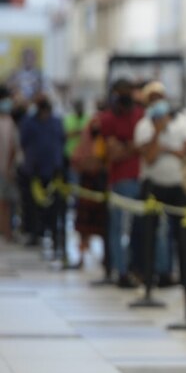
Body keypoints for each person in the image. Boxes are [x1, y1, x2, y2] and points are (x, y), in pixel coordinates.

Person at [134, 94, 186, 287]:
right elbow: (149, 157)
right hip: (153, 185)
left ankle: (185, 279)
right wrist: (157, 134)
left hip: (179, 187)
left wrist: (165, 149)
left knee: (183, 235)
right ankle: (148, 276)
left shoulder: (184, 122)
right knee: (148, 233)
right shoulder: (143, 126)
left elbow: (184, 152)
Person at [100, 80, 144, 286]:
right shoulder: (108, 118)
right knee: (119, 228)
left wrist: (127, 146)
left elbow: (142, 146)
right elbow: (113, 153)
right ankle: (121, 270)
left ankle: (136, 267)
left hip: (141, 178)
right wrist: (132, 147)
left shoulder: (140, 115)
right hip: (120, 180)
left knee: (137, 228)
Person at [17, 95, 64, 246]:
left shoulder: (56, 122)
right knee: (31, 205)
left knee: (53, 205)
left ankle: (53, 233)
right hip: (34, 170)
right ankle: (33, 232)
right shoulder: (29, 122)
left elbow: (61, 141)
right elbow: (23, 142)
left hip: (52, 170)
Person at [70, 101, 109, 269]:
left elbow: (105, 161)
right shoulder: (86, 136)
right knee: (83, 227)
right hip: (87, 185)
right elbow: (78, 160)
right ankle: (81, 256)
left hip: (102, 184)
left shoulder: (105, 137)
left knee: (104, 225)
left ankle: (107, 258)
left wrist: (98, 165)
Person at [0, 87, 17, 241]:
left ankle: (7, 231)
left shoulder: (9, 122)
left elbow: (13, 147)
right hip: (4, 169)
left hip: (5, 169)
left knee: (6, 202)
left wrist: (9, 167)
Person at [63, 99, 89, 173]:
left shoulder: (88, 118)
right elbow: (65, 135)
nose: (79, 109)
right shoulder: (68, 119)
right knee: (73, 178)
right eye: (77, 107)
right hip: (71, 154)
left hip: (85, 155)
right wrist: (78, 132)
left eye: (80, 107)